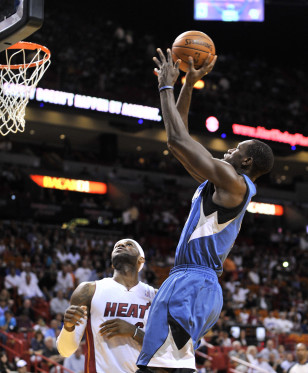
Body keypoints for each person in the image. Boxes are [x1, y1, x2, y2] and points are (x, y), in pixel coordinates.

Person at [136, 48, 274, 373]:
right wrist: (188, 84)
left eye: (236, 149)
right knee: (166, 366)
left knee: (158, 368)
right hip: (192, 282)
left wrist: (166, 86)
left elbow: (176, 138)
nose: (228, 150)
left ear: (247, 162)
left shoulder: (234, 181)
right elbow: (178, 139)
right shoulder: (220, 182)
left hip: (193, 282)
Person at [56, 239, 156, 373]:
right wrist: (68, 327)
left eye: (129, 244)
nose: (121, 245)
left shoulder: (155, 296)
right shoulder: (88, 290)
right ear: (112, 264)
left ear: (141, 260)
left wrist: (134, 332)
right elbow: (65, 351)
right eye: (117, 246)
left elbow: (164, 350)